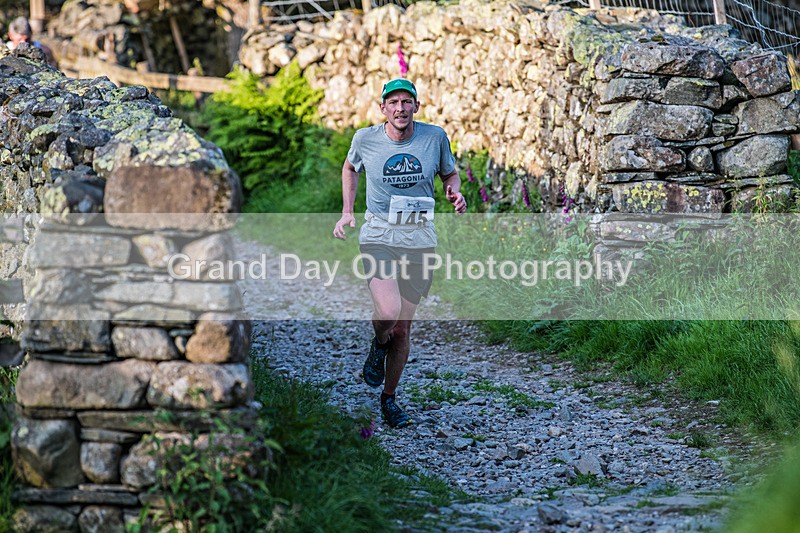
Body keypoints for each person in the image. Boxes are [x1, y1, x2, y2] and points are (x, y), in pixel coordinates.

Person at [333, 78, 467, 428]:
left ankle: (389, 400)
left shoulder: (434, 137)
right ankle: (379, 342)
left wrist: (454, 193)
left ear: (416, 107)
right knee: (388, 311)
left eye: (407, 102)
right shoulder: (365, 139)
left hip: (420, 238)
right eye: (393, 102)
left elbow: (449, 174)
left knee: (403, 330)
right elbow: (350, 167)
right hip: (379, 233)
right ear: (383, 109)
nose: (400, 108)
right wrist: (348, 211)